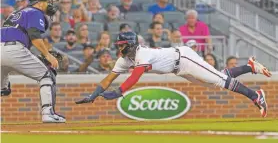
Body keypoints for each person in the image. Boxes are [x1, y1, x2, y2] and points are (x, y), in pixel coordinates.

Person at [75, 32, 271, 118]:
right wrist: (94, 95)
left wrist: (118, 92)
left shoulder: (142, 53)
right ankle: (250, 66)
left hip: (184, 57)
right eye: (119, 45)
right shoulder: (124, 59)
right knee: (216, 79)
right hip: (178, 69)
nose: (120, 48)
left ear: (131, 44)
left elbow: (135, 77)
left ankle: (256, 96)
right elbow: (108, 78)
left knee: (220, 80)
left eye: (122, 45)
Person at [1, 0, 65, 122]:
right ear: (40, 3)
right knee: (46, 75)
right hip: (14, 50)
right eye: (48, 1)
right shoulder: (35, 12)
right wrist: (47, 55)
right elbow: (34, 35)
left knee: (3, 89)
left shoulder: (17, 12)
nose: (50, 4)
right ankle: (48, 113)